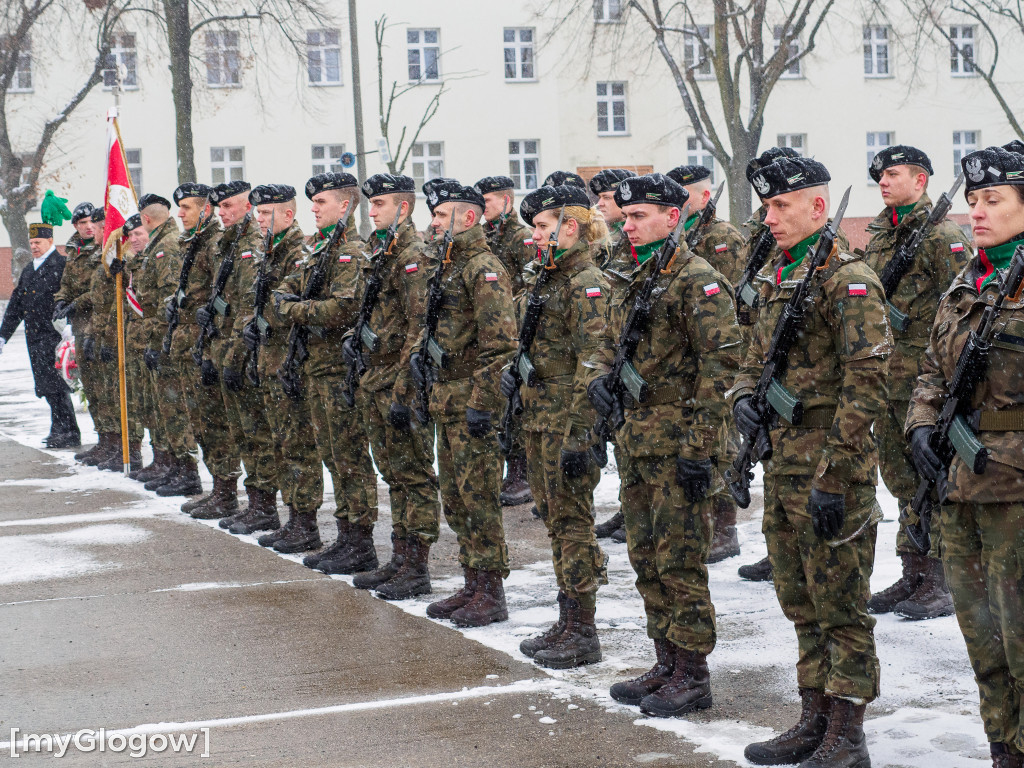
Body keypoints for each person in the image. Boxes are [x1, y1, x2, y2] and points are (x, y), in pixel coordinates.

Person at [731, 156, 890, 767]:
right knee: (799, 597)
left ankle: (847, 734)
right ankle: (813, 716)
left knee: (842, 605)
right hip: (784, 462)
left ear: (817, 208)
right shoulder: (778, 272)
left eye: (779, 207)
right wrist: (744, 397)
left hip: (831, 465)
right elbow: (754, 352)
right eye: (765, 208)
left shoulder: (846, 280)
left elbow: (869, 379)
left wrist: (838, 473)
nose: (768, 218)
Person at [589, 173, 742, 717]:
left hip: (680, 446)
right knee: (646, 557)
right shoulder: (633, 275)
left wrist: (701, 448)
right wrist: (599, 379)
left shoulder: (697, 280)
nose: (627, 226)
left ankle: (693, 673)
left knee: (680, 562)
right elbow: (609, 344)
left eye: (639, 217)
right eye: (625, 218)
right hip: (638, 442)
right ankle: (666, 660)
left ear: (672, 217)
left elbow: (721, 366)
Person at [906, 145, 1024, 768]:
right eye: (973, 201)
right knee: (983, 641)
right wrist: (924, 425)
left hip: (1016, 494)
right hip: (958, 489)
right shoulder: (967, 282)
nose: (978, 212)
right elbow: (931, 369)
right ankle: (1003, 748)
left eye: (993, 200)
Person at [862, 144, 971, 620]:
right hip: (888, 379)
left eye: (893, 174)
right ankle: (914, 570)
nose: (883, 181)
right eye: (880, 176)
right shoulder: (880, 235)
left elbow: (962, 309)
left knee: (932, 476)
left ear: (920, 180)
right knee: (901, 478)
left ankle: (941, 578)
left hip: (925, 383)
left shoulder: (942, 235)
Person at [506, 184, 611, 666]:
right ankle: (568, 619)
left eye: (544, 227)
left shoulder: (585, 281)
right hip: (539, 418)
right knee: (556, 521)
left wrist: (580, 436)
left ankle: (583, 629)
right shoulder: (547, 277)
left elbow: (594, 363)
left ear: (570, 227)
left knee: (572, 524)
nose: (535, 236)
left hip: (565, 424)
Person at [415, 179, 516, 627]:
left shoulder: (483, 268)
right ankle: (473, 581)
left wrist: (481, 403)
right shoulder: (449, 263)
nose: (432, 223)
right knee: (455, 498)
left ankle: (491, 591)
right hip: (446, 398)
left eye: (440, 215)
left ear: (468, 218)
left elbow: (500, 348)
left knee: (478, 498)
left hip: (470, 402)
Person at [274, 172, 379, 572]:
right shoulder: (315, 249)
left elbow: (342, 309)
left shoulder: (351, 250)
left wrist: (296, 310)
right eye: (313, 203)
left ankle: (361, 542)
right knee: (333, 456)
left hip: (339, 371)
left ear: (346, 205)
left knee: (350, 457)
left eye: (321, 203)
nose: (313, 209)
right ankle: (346, 536)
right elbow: (286, 287)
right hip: (315, 368)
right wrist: (296, 305)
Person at [346, 173, 441, 601]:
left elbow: (420, 327)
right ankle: (400, 558)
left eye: (380, 204)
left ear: (403, 208)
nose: (372, 210)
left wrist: (406, 390)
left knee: (413, 474)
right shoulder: (382, 249)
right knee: (394, 474)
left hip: (398, 381)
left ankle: (416, 565)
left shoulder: (412, 254)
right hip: (376, 377)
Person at [667, 164, 747, 564]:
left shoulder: (722, 237)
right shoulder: (682, 234)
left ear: (704, 196)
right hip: (690, 352)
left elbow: (729, 301)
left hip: (719, 347)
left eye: (685, 196)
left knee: (723, 442)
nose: (679, 204)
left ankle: (726, 526)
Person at [240, 184, 324, 555]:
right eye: (256, 213)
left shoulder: (296, 253)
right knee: (281, 442)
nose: (258, 219)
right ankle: (293, 518)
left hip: (289, 362)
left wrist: (266, 317)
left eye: (265, 213)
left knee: (298, 446)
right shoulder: (270, 250)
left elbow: (292, 304)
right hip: (269, 360)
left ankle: (305, 523)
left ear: (288, 216)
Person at [474, 174, 536, 508]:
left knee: (516, 406)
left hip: (516, 328)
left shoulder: (520, 237)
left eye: (488, 201)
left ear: (506, 201)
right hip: (495, 328)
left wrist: (506, 311)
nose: (483, 209)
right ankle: (512, 469)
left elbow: (530, 283)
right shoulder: (486, 236)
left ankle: (521, 472)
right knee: (502, 406)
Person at [131, 194, 199, 489]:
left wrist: (159, 342)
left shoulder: (167, 245)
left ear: (146, 219)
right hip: (160, 339)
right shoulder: (159, 243)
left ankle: (187, 472)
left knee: (175, 409)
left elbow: (169, 301)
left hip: (169, 342)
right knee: (165, 409)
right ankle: (175, 466)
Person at [0, 220, 80, 448]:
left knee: (58, 386)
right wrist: (3, 335)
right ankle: (59, 428)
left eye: (38, 242)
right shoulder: (29, 269)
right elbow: (16, 305)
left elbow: (73, 295)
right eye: (31, 242)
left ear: (51, 241)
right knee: (46, 387)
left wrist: (72, 324)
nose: (34, 246)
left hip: (55, 337)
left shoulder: (61, 264)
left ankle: (68, 431)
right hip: (35, 338)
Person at [588, 168, 636, 543]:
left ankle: (723, 527)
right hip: (618, 355)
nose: (599, 205)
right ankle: (627, 510)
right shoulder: (613, 245)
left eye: (605, 199)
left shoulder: (634, 244)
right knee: (622, 444)